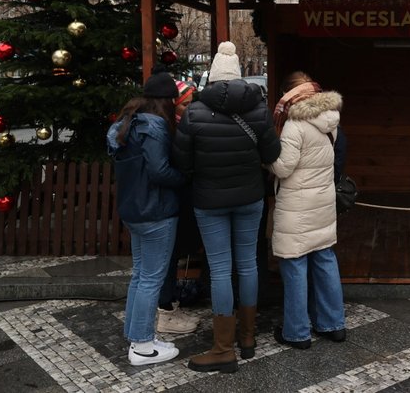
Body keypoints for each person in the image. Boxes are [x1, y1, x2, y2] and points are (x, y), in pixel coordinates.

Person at [173, 42, 280, 373]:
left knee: (220, 269)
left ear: (212, 77)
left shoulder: (194, 112)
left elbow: (181, 161)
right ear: (238, 76)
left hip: (209, 200)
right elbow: (271, 155)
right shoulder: (259, 109)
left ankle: (223, 348)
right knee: (247, 264)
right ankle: (247, 339)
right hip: (250, 198)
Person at [106, 69, 186, 367]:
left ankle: (136, 335)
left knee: (140, 275)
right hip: (156, 211)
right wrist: (184, 178)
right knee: (151, 278)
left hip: (133, 209)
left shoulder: (128, 123)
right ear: (167, 101)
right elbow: (159, 170)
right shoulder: (155, 127)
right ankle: (142, 346)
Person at [269, 71, 346, 350]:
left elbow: (283, 167)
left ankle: (297, 332)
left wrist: (267, 158)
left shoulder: (294, 126)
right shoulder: (331, 122)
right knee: (325, 259)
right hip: (322, 203)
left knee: (295, 264)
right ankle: (333, 324)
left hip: (297, 208)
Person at [155, 80, 201, 336]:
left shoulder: (175, 126)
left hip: (178, 202)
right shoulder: (166, 130)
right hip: (169, 203)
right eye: (185, 103)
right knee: (167, 257)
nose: (190, 107)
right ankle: (166, 311)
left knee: (172, 255)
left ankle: (170, 304)